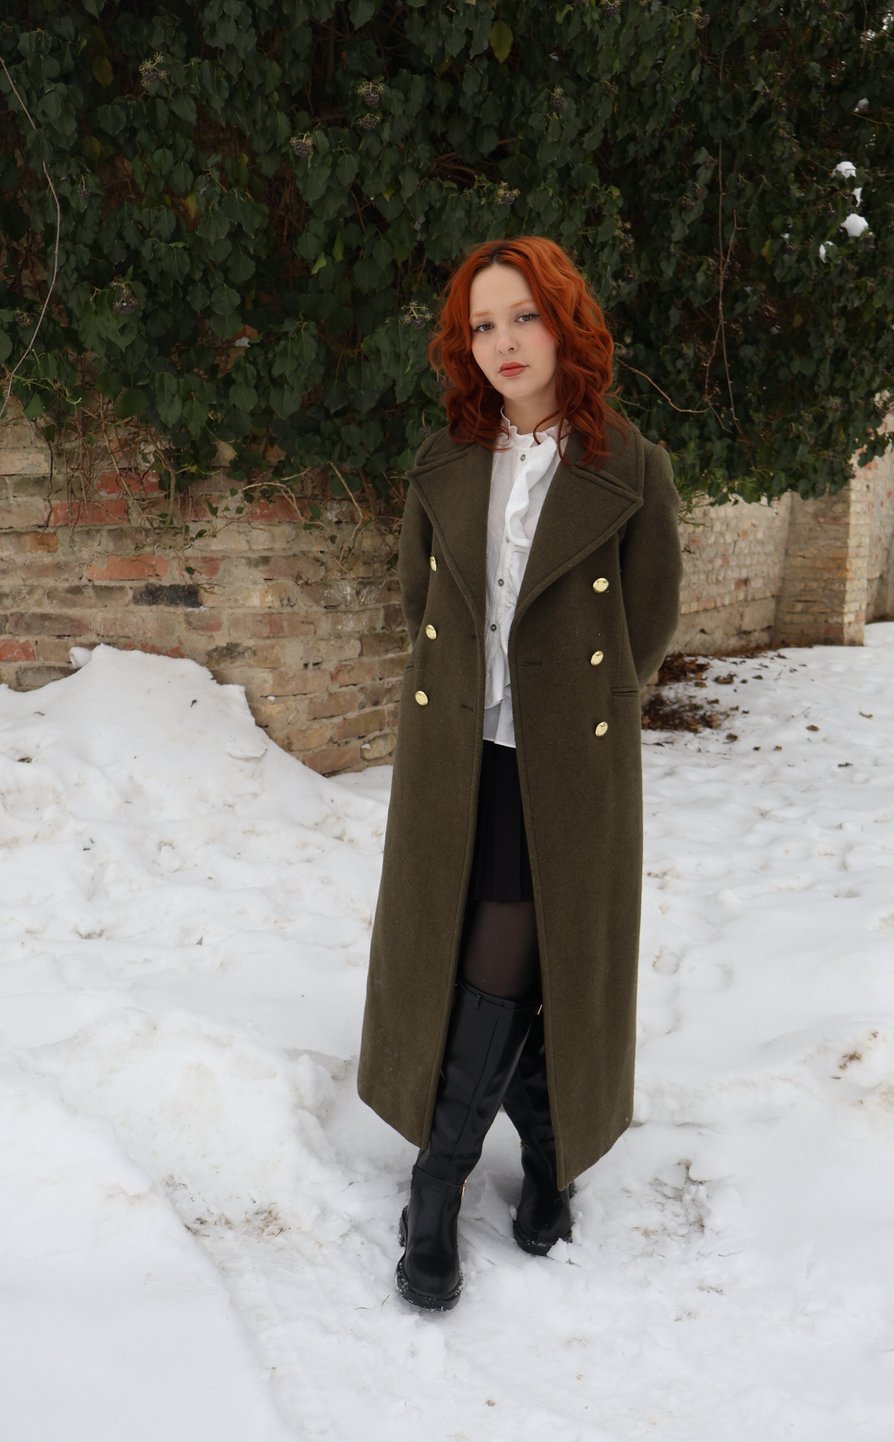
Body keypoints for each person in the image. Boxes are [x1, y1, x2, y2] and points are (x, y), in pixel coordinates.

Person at [357, 235, 683, 1311]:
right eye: (482, 324)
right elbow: (422, 602)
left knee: (515, 951)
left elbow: (646, 625)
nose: (503, 341)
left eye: (524, 316)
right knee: (485, 953)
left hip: (568, 758)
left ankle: (438, 1183)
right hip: (458, 749)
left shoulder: (630, 465)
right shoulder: (446, 458)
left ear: (564, 322)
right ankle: (545, 1149)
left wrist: (569, 705)